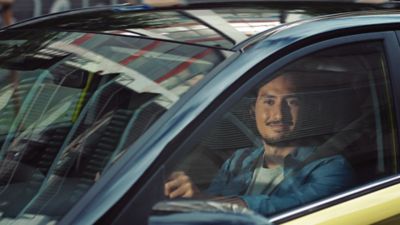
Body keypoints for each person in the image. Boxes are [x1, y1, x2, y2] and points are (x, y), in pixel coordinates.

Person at [164, 71, 355, 216]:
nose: (279, 115)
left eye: (291, 102)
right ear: (252, 111)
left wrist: (203, 200)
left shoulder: (331, 167)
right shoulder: (239, 159)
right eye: (269, 102)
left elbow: (292, 207)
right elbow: (209, 205)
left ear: (306, 111)